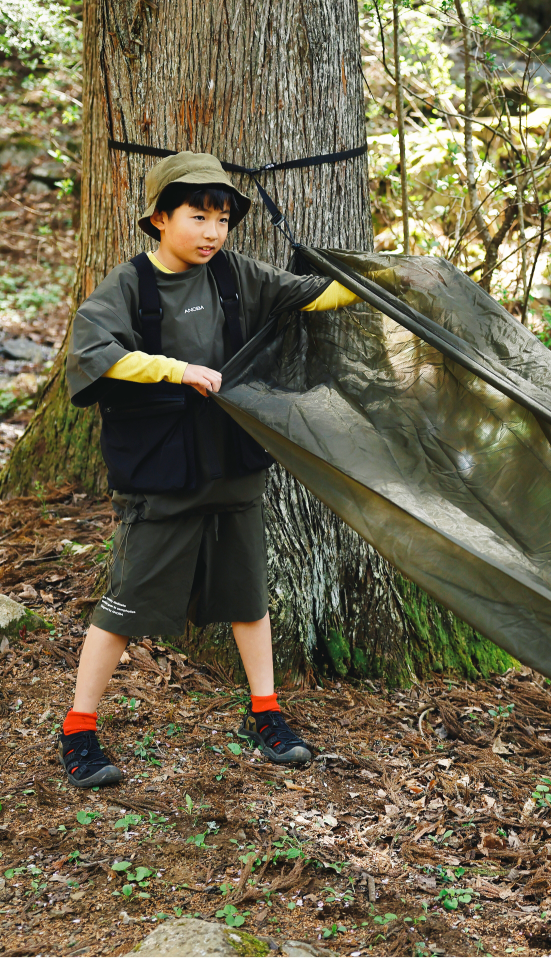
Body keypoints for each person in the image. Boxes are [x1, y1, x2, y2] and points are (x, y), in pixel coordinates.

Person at [59, 152, 368, 788]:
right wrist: (173, 368)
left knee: (247, 598)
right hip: (160, 474)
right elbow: (93, 353)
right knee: (125, 603)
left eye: (222, 220)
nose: (212, 233)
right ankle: (79, 729)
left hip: (233, 466)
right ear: (158, 218)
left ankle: (267, 713)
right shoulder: (130, 286)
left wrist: (381, 279)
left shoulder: (235, 275)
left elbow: (311, 296)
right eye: (198, 216)